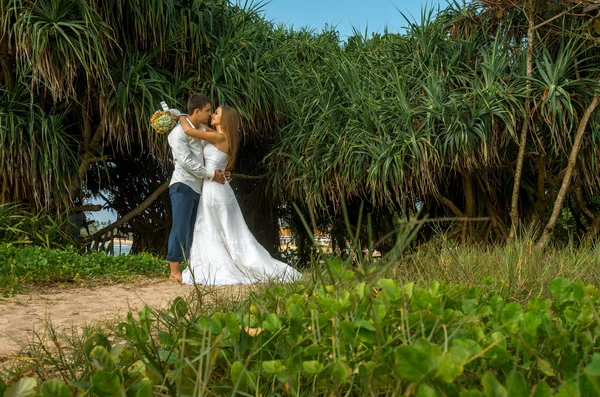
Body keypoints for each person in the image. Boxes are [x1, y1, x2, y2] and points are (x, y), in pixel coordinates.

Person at [178, 106, 301, 285]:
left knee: (214, 227)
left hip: (214, 189)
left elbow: (189, 130)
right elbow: (203, 128)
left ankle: (220, 266)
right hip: (217, 187)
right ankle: (222, 262)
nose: (212, 114)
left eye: (217, 113)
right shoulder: (222, 136)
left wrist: (179, 117)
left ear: (225, 119)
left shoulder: (220, 137)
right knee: (223, 229)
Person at [166, 93, 230, 283]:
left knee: (193, 229)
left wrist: (224, 171)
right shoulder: (178, 133)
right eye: (208, 110)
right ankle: (174, 270)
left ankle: (191, 267)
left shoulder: (201, 130)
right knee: (180, 226)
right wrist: (212, 174)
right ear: (197, 111)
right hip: (183, 184)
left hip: (200, 188)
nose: (210, 114)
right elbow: (186, 162)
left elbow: (215, 151)